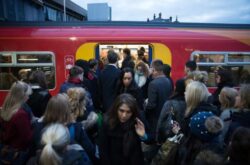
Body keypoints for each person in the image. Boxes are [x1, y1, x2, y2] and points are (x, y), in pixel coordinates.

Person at [31, 94, 96, 163]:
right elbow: (90, 150)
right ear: (67, 110)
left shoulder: (37, 126)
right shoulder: (76, 128)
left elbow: (34, 149)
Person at [98, 93, 146, 165]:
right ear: (116, 109)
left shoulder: (137, 121)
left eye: (128, 112)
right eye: (121, 110)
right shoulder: (107, 123)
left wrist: (143, 136)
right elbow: (103, 150)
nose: (124, 115)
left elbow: (141, 148)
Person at [0, 81, 33, 164]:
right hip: (18, 153)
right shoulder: (20, 114)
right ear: (22, 96)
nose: (28, 97)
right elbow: (27, 138)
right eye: (27, 95)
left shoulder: (6, 108)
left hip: (7, 150)